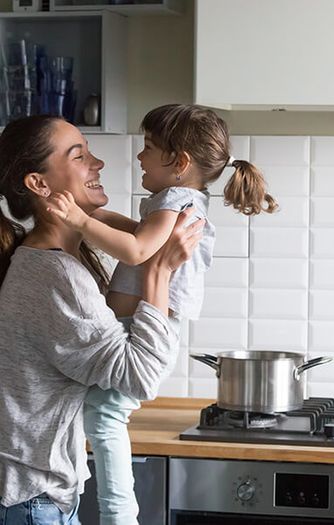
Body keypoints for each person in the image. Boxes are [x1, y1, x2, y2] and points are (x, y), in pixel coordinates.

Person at [47, 104, 278, 525]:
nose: (139, 156)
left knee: (104, 416)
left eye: (149, 148)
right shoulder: (176, 200)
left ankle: (119, 514)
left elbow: (137, 251)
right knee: (98, 413)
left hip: (143, 329)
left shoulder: (177, 199)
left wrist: (80, 218)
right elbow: (139, 235)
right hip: (133, 328)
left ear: (179, 162)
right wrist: (90, 214)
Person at [0, 114, 204, 525]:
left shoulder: (69, 259)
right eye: (80, 156)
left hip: (38, 497)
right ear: (40, 185)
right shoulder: (55, 275)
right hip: (32, 502)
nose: (99, 163)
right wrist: (160, 271)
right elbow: (139, 377)